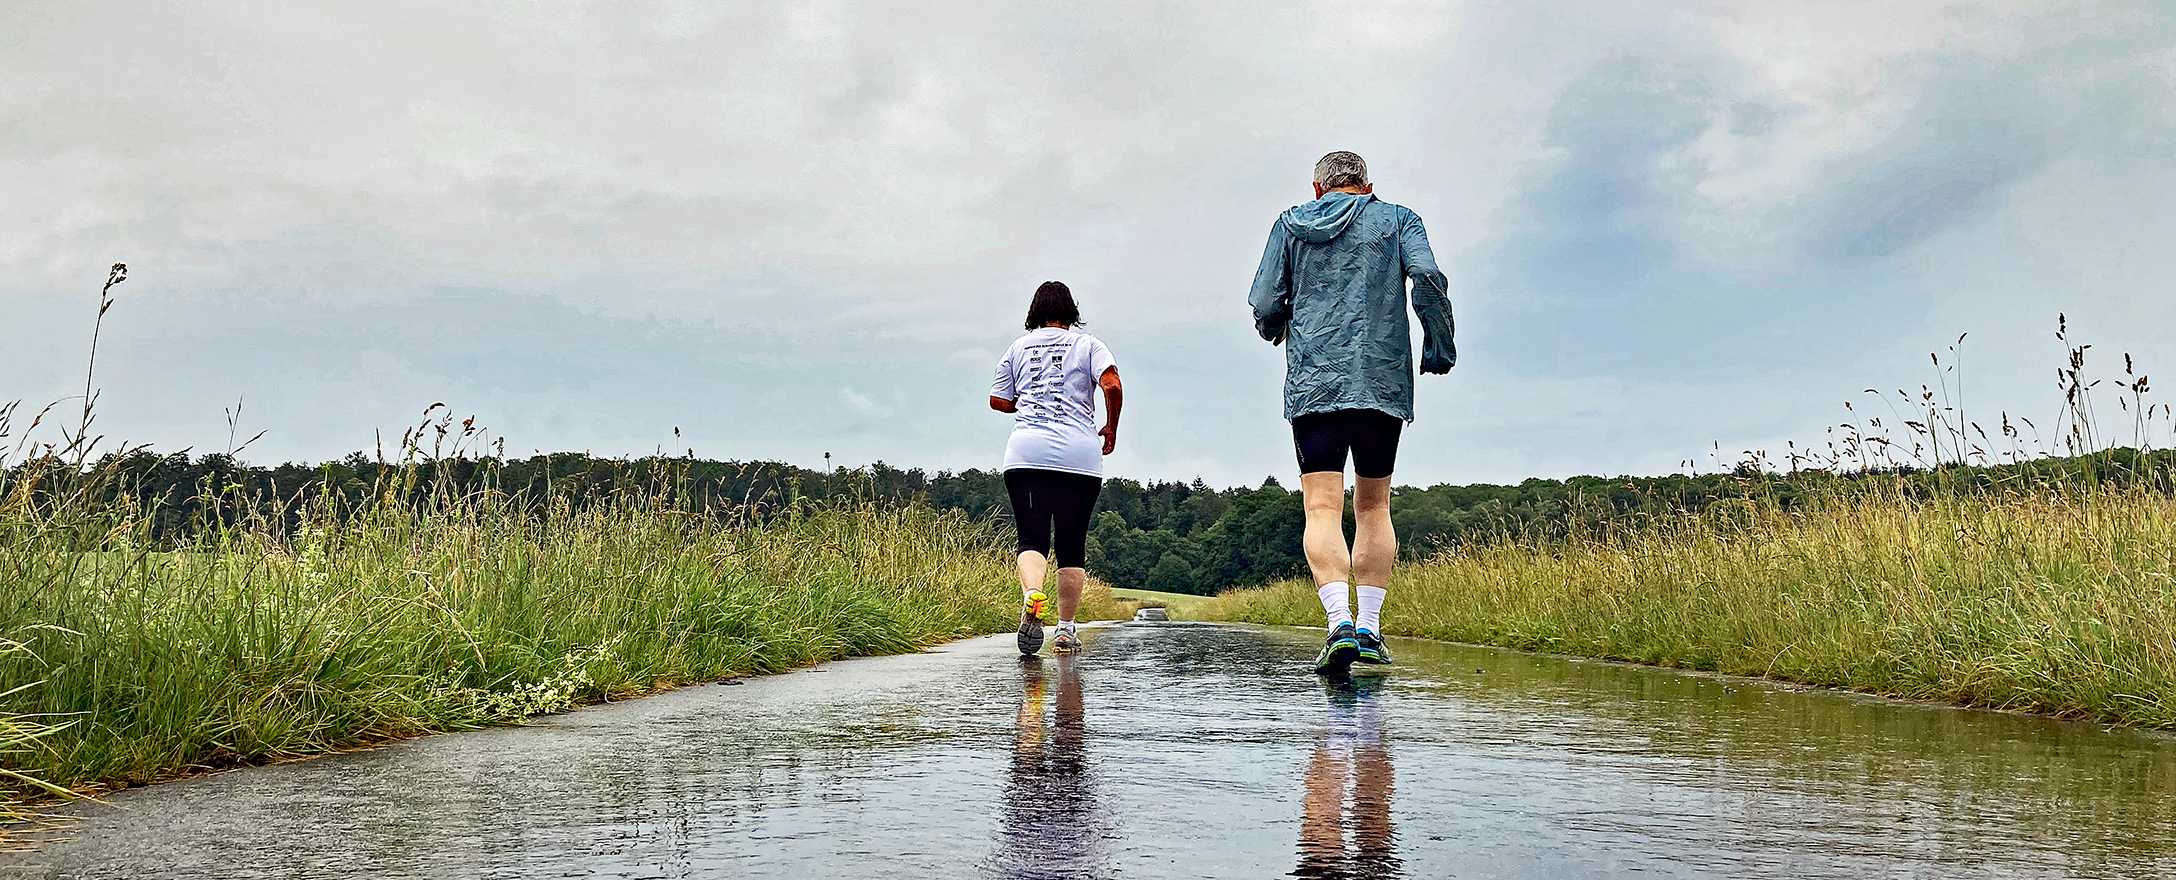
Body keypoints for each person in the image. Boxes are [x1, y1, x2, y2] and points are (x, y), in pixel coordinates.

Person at [1248, 151, 1455, 676]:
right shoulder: (1398, 219)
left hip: (1315, 383)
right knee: (1372, 505)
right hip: (1381, 380)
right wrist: (1438, 342)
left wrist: (1274, 328)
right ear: (1367, 186)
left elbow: (1267, 300)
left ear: (1318, 189)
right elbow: (1428, 275)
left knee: (1320, 507)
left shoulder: (1291, 224)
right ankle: (1370, 628)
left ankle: (1338, 622)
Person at [990, 281, 1123, 655]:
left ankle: (1033, 593)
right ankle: (1064, 630)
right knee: (1071, 546)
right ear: (1071, 312)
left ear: (1035, 312)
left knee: (1031, 538)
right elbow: (1111, 385)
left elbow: (998, 400)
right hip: (1079, 458)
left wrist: (1026, 403)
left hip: (1026, 455)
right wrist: (1110, 427)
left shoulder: (1017, 348)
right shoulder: (1089, 344)